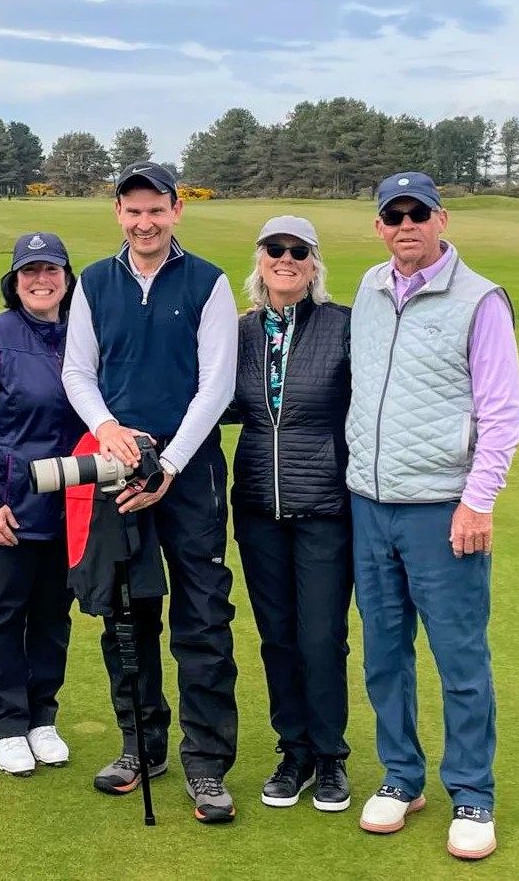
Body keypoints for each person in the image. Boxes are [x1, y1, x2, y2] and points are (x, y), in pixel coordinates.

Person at [347, 172, 519, 860]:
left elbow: (501, 411)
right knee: (383, 654)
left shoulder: (477, 299)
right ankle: (400, 777)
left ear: (440, 218)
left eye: (416, 212)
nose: (404, 224)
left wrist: (477, 497)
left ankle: (471, 790)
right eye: (392, 215)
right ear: (378, 226)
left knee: (458, 657)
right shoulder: (367, 288)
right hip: (369, 503)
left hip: (441, 509)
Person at [62, 161, 239, 824]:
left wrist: (168, 463)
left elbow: (215, 386)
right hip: (119, 469)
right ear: (117, 213)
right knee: (126, 614)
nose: (144, 222)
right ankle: (142, 744)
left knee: (201, 616)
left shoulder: (207, 282)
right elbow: (78, 372)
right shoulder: (95, 282)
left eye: (155, 210)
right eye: (132, 210)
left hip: (186, 473)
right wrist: (106, 428)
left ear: (175, 211)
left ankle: (205, 760)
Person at [229, 216, 353, 812]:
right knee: (277, 636)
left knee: (322, 635)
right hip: (256, 505)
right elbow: (211, 402)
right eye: (274, 250)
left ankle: (330, 756)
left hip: (326, 505)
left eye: (296, 251)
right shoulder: (242, 332)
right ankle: (295, 751)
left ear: (313, 262)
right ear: (260, 261)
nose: (285, 259)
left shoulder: (343, 326)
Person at [0, 232, 82, 776]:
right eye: (29, 272)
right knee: (3, 611)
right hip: (5, 506)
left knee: (54, 613)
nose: (41, 280)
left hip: (70, 503)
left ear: (66, 278)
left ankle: (42, 716)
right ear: (14, 281)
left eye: (51, 270)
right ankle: (7, 722)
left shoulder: (85, 335)